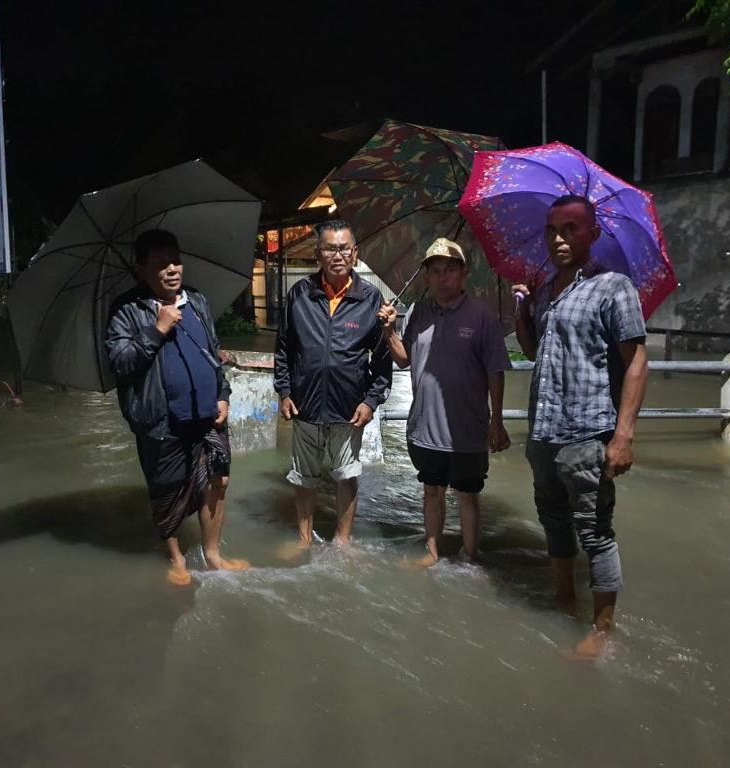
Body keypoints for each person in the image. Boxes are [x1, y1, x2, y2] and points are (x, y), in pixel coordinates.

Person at [512, 194, 648, 659]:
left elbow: (636, 362)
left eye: (570, 229)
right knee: (552, 520)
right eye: (552, 230)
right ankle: (564, 599)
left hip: (587, 431)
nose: (559, 238)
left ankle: (603, 631)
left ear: (592, 233)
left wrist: (624, 435)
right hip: (544, 431)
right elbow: (533, 353)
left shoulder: (614, 287)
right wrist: (523, 312)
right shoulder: (546, 290)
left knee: (595, 529)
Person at [106, 228, 250, 586]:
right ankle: (175, 560)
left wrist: (223, 394)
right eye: (160, 263)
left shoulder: (197, 301)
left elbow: (213, 352)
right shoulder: (126, 310)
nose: (172, 269)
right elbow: (120, 362)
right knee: (166, 492)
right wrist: (157, 330)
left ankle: (213, 555)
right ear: (141, 270)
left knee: (218, 481)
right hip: (161, 420)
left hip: (208, 415)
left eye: (175, 261)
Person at [377, 237, 512, 567]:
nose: (442, 277)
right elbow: (404, 359)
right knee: (432, 490)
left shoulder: (482, 316)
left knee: (468, 494)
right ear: (426, 277)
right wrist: (389, 331)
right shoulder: (417, 312)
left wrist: (496, 421)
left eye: (450, 270)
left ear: (464, 275)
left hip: (468, 429)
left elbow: (496, 372)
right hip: (424, 426)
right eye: (435, 271)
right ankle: (432, 551)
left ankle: (470, 555)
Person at [273, 219, 393, 553]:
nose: (337, 255)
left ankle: (343, 541)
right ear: (318, 254)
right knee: (303, 478)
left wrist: (371, 401)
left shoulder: (371, 299)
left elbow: (383, 359)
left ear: (355, 253)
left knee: (346, 475)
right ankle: (303, 539)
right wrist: (285, 391)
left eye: (343, 249)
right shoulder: (299, 293)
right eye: (329, 249)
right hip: (305, 404)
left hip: (348, 408)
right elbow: (283, 348)